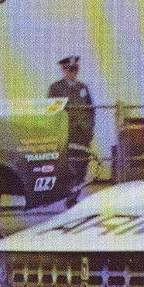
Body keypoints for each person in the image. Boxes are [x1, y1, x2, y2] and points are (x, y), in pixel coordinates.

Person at [47, 55, 95, 189]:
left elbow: (91, 109)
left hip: (82, 134)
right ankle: (68, 191)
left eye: (75, 69)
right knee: (67, 165)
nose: (73, 73)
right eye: (70, 70)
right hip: (67, 133)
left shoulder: (82, 87)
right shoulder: (55, 88)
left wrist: (89, 128)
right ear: (64, 70)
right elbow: (51, 111)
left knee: (82, 163)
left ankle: (77, 189)